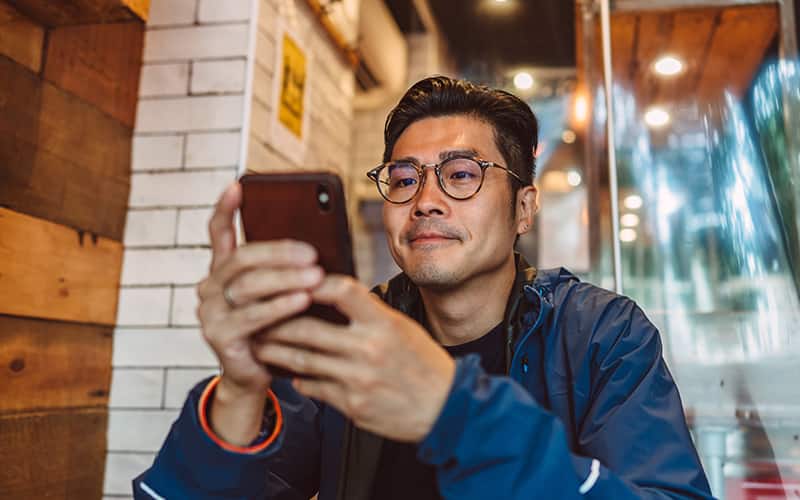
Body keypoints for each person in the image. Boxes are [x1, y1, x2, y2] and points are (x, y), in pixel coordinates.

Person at [134, 76, 713, 499]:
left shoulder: (600, 335)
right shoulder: (353, 333)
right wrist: (239, 387)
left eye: (462, 174)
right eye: (404, 179)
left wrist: (454, 411)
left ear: (524, 209)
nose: (425, 200)